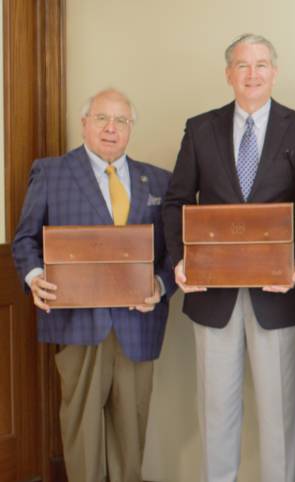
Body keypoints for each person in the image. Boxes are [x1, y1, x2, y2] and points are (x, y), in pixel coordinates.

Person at [161, 34, 295, 482]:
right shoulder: (200, 128)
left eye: (261, 65)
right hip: (212, 295)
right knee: (216, 413)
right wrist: (180, 262)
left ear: (275, 72)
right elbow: (176, 201)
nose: (252, 74)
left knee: (281, 417)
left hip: (280, 293)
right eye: (243, 65)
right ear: (228, 74)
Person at [12, 88, 175, 482]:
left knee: (131, 435)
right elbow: (25, 240)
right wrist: (35, 278)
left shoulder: (159, 180)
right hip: (78, 323)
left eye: (121, 120)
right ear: (84, 123)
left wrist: (160, 284)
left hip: (138, 325)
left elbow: (175, 251)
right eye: (102, 118)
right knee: (82, 431)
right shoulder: (51, 173)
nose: (111, 128)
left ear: (131, 128)